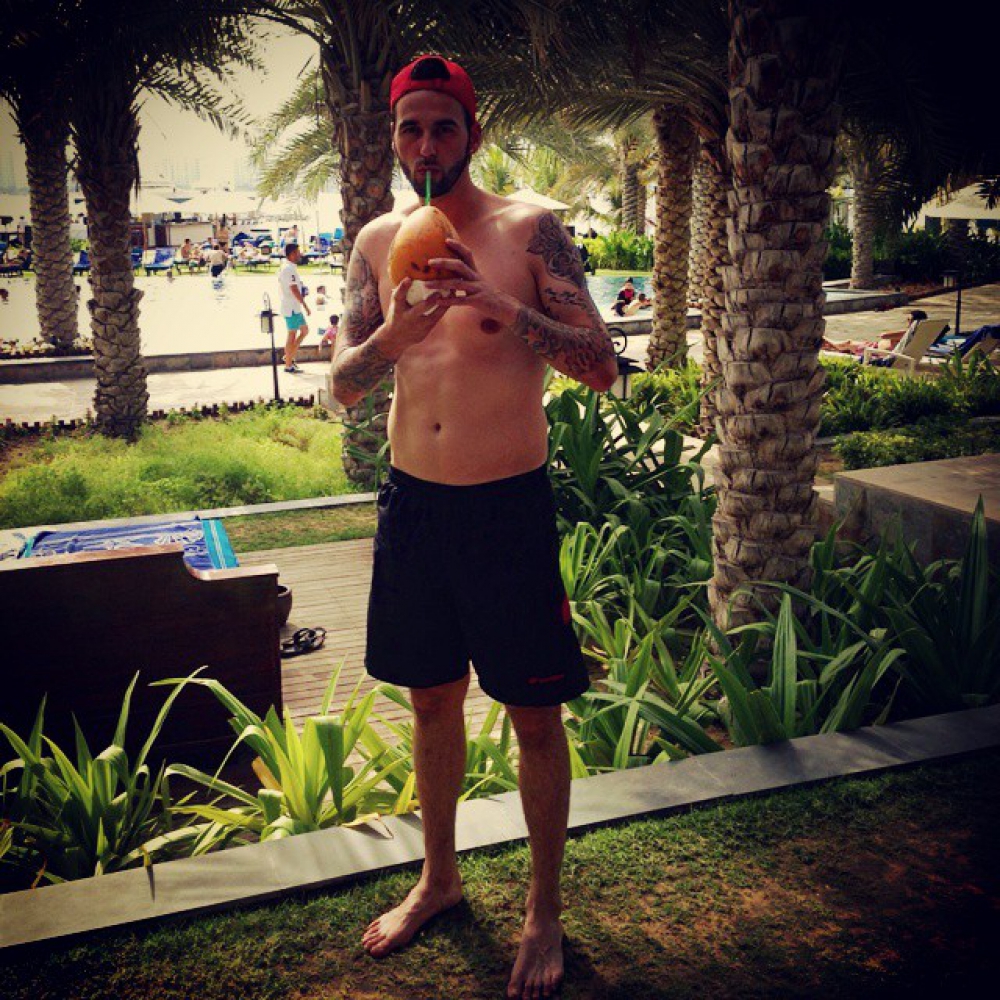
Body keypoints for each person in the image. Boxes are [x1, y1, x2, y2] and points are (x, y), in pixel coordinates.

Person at [331, 54, 616, 999]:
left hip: (505, 511)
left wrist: (501, 307)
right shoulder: (379, 241)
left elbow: (602, 364)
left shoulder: (530, 229)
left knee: (535, 715)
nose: (425, 145)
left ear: (472, 134)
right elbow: (343, 383)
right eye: (410, 128)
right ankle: (440, 880)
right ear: (394, 136)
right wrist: (393, 337)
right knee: (430, 702)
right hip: (415, 507)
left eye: (442, 127)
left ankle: (543, 911)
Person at [821, 309, 931, 358]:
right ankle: (827, 343)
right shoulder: (920, 334)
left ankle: (824, 339)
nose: (907, 322)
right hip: (875, 348)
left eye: (909, 320)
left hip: (873, 350)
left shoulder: (907, 333)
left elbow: (884, 335)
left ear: (915, 322)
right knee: (845, 345)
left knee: (847, 343)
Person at [278, 242, 311, 372]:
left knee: (304, 331)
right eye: (297, 253)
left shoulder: (290, 268)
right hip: (291, 308)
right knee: (292, 335)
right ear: (292, 254)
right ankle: (288, 364)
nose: (299, 255)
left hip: (294, 307)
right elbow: (294, 289)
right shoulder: (288, 269)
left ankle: (289, 356)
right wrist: (305, 305)